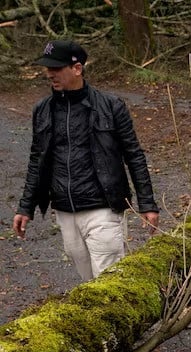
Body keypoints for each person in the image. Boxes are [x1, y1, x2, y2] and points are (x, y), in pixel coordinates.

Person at [13, 40, 160, 282]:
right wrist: (25, 206)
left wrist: (147, 204)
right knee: (88, 281)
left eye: (56, 68)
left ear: (77, 69)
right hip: (64, 209)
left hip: (103, 207)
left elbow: (133, 154)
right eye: (47, 68)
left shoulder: (111, 106)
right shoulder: (43, 109)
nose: (49, 73)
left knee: (108, 280)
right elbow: (36, 160)